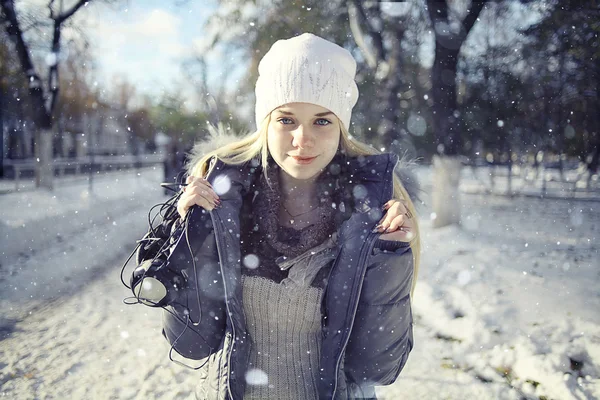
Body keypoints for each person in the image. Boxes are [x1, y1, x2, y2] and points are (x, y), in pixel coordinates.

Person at [157, 33, 421, 400]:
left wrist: (389, 256)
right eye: (286, 119)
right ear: (265, 121)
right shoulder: (222, 201)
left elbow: (376, 368)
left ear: (341, 125)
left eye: (322, 121)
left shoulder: (377, 212)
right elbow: (191, 343)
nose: (303, 138)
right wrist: (191, 237)